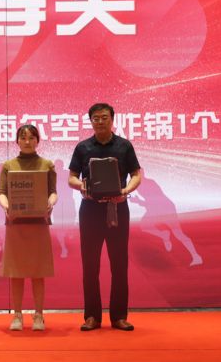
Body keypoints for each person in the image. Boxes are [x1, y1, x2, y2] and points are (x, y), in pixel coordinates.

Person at [68, 103, 141, 332]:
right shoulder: (83, 147)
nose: (100, 121)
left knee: (119, 264)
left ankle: (119, 316)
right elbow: (71, 177)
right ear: (91, 121)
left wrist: (125, 191)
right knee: (90, 265)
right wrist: (82, 186)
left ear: (112, 119)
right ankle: (92, 316)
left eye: (104, 117)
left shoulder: (124, 146)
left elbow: (136, 174)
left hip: (117, 208)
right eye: (96, 118)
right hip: (90, 210)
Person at [0, 125, 57, 331]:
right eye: (23, 138)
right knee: (16, 272)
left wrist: (50, 202)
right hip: (16, 225)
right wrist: (7, 206)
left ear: (37, 140)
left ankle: (39, 315)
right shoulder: (9, 165)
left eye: (31, 138)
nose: (27, 142)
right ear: (17, 141)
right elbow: (1, 192)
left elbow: (53, 192)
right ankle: (17, 315)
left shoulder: (47, 165)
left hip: (39, 224)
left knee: (38, 272)